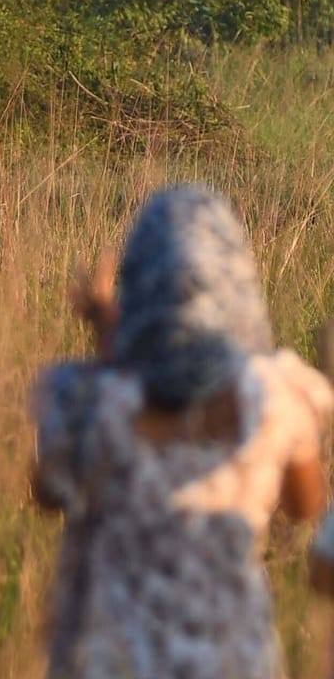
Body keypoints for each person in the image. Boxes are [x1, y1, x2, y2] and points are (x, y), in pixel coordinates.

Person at [31, 183, 331, 679]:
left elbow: (47, 491)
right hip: (232, 659)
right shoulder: (276, 398)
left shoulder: (88, 401)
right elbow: (307, 506)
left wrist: (113, 342)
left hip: (113, 659)